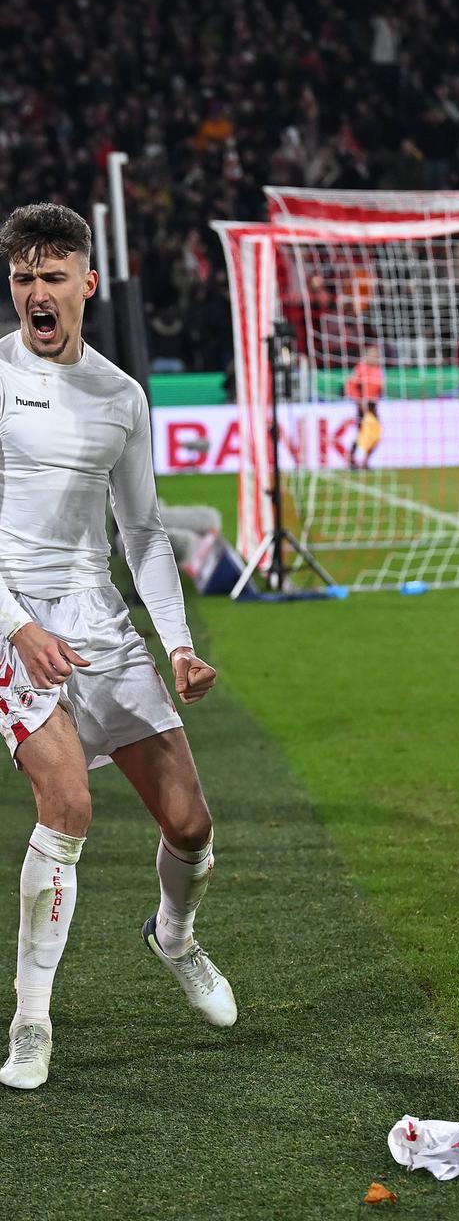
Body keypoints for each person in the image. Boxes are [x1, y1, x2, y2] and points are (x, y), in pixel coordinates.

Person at [0, 204, 235, 1091]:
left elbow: (141, 533)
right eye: (23, 277)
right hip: (12, 615)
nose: (36, 293)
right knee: (66, 807)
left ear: (87, 283)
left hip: (98, 616)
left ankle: (172, 937)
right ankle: (30, 1021)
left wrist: (175, 644)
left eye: (52, 276)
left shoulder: (120, 396)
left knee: (191, 823)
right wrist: (18, 629)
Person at [344, 343, 384, 470]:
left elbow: (379, 388)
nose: (375, 356)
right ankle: (351, 460)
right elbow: (351, 386)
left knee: (375, 434)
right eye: (372, 354)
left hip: (373, 405)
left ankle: (365, 460)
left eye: (376, 354)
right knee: (362, 433)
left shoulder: (378, 370)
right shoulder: (361, 368)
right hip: (362, 404)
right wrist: (359, 401)